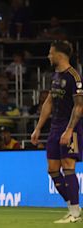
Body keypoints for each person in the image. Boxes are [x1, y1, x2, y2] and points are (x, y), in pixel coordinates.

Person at [31, 40, 82, 223]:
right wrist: (38, 128)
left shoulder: (73, 77)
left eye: (51, 53)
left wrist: (69, 130)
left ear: (59, 55)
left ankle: (75, 213)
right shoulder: (55, 75)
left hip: (71, 128)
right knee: (53, 170)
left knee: (68, 167)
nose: (48, 56)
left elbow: (79, 107)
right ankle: (72, 208)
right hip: (54, 128)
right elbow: (49, 103)